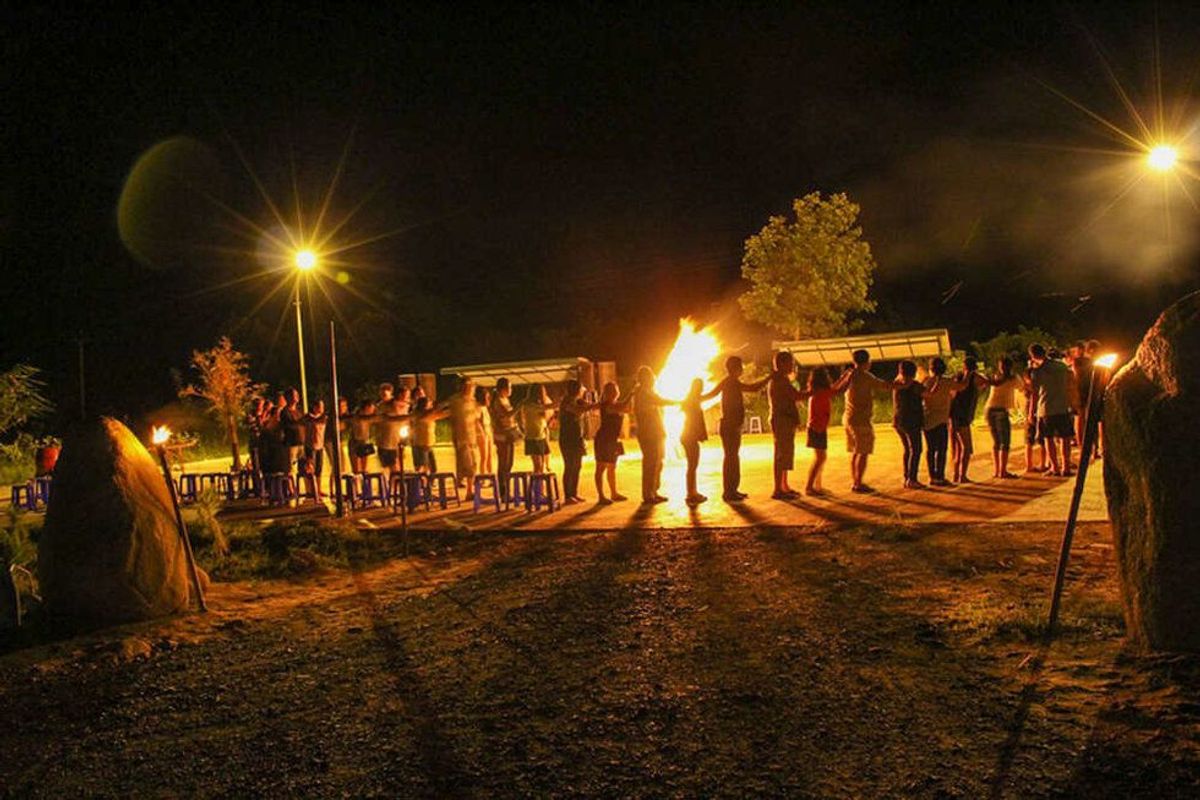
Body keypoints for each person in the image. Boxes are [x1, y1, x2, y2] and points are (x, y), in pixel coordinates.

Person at [711, 356, 769, 502]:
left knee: (732, 457)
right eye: (741, 366)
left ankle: (732, 490)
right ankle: (729, 492)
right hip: (730, 426)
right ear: (736, 368)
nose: (743, 369)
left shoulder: (729, 382)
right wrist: (769, 378)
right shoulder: (731, 382)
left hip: (731, 425)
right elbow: (754, 388)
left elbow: (711, 394)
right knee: (731, 458)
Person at [843, 349, 896, 493]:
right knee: (863, 451)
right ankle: (858, 483)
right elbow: (885, 385)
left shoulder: (850, 375)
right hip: (860, 419)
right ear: (867, 362)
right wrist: (902, 383)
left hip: (849, 417)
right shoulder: (865, 376)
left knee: (855, 451)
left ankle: (856, 480)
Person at [1027, 344, 1074, 477]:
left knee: (1048, 438)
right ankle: (1066, 467)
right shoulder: (1061, 366)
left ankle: (1055, 467)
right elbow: (1070, 383)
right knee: (1065, 438)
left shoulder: (1038, 371)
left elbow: (1034, 394)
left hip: (1046, 408)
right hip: (1063, 406)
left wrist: (1031, 413)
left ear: (1033, 356)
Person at [633, 365, 674, 504]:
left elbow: (659, 401)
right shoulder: (642, 392)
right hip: (648, 433)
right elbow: (660, 401)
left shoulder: (648, 391)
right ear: (645, 378)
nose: (652, 379)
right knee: (651, 463)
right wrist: (679, 402)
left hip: (656, 431)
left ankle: (654, 491)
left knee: (658, 462)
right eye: (650, 376)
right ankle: (648, 494)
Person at [804, 367, 847, 496]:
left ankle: (816, 486)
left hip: (817, 428)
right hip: (817, 428)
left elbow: (834, 388)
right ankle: (809, 487)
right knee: (820, 458)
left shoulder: (817, 391)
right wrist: (850, 377)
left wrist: (843, 377)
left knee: (819, 458)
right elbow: (839, 390)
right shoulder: (821, 392)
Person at [948, 357, 990, 483]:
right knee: (966, 448)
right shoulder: (972, 379)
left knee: (957, 447)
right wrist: (973, 375)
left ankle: (957, 474)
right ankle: (962, 476)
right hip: (962, 416)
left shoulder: (957, 378)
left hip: (954, 415)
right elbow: (986, 382)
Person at [768, 351, 803, 499]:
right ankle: (777, 489)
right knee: (781, 455)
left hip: (785, 420)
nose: (793, 366)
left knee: (786, 453)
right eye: (791, 363)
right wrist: (815, 391)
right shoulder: (780, 381)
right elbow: (796, 396)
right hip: (782, 420)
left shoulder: (782, 379)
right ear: (781, 364)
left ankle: (784, 485)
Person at [559, 380, 597, 504]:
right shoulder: (567, 401)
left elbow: (591, 405)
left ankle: (574, 493)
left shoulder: (578, 400)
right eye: (581, 389)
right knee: (569, 466)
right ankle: (568, 496)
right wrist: (589, 406)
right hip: (567, 439)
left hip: (577, 438)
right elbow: (577, 410)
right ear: (576, 390)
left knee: (577, 466)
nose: (582, 391)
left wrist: (591, 403)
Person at [593, 381, 631, 504]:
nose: (614, 393)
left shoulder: (616, 404)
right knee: (601, 467)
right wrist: (632, 393)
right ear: (607, 393)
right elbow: (623, 406)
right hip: (604, 440)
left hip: (613, 440)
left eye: (616, 390)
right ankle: (601, 496)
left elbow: (627, 409)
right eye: (612, 391)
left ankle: (614, 493)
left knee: (612, 467)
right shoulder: (607, 405)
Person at [984, 357, 1022, 479]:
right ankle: (1003, 471)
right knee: (1004, 442)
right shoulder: (1013, 378)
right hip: (1001, 410)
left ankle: (997, 471)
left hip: (989, 409)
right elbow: (1022, 388)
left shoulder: (995, 377)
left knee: (996, 442)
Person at [445, 376, 481, 499]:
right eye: (467, 385)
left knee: (474, 463)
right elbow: (450, 416)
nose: (470, 388)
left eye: (471, 385)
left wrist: (480, 431)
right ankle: (469, 491)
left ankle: (469, 490)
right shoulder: (455, 400)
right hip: (461, 438)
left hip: (472, 438)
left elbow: (476, 418)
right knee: (468, 465)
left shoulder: (473, 401)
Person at [893, 360, 927, 489]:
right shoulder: (915, 385)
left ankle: (907, 477)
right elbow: (929, 394)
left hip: (898, 420)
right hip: (912, 420)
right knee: (916, 449)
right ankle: (912, 479)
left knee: (908, 449)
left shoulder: (897, 383)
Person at [921, 358, 954, 486]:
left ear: (931, 369)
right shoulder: (947, 381)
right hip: (941, 420)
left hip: (928, 419)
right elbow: (962, 386)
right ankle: (939, 476)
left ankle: (932, 476)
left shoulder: (925, 382)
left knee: (930, 449)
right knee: (941, 449)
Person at [680, 378, 712, 505]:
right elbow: (696, 421)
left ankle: (693, 492)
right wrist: (701, 435)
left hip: (688, 436)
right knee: (692, 465)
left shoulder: (691, 399)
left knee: (692, 465)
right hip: (690, 437)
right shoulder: (693, 401)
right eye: (701, 386)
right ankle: (691, 493)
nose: (702, 388)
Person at [490, 378, 522, 501]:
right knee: (503, 463)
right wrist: (519, 407)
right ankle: (502, 492)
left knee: (509, 463)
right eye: (509, 387)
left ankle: (506, 491)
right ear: (503, 389)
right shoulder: (497, 401)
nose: (511, 390)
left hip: (509, 434)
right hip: (502, 436)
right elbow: (507, 415)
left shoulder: (505, 399)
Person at [373, 384, 412, 484]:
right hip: (385, 441)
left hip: (397, 440)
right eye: (404, 395)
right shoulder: (383, 406)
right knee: (392, 467)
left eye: (407, 395)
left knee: (397, 465)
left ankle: (394, 487)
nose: (406, 398)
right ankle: (392, 487)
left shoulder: (406, 406)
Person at [521, 384, 556, 474]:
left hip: (541, 435)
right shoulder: (529, 405)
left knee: (541, 465)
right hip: (532, 437)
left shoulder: (538, 403)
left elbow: (547, 413)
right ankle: (537, 486)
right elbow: (547, 407)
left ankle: (540, 485)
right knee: (538, 465)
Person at [411, 396, 448, 474]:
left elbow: (441, 414)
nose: (431, 404)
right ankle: (423, 483)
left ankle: (428, 482)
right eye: (429, 403)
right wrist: (448, 403)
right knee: (423, 467)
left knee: (432, 468)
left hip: (428, 444)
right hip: (421, 444)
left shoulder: (428, 414)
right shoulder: (420, 414)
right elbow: (435, 411)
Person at [303, 399, 328, 502]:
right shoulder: (308, 417)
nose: (321, 409)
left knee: (319, 469)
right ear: (314, 407)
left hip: (320, 446)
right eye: (319, 406)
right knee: (311, 470)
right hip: (310, 446)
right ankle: (312, 492)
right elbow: (313, 421)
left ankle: (318, 489)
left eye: (322, 406)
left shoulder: (323, 418)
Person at [281, 388, 306, 483]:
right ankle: (291, 490)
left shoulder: (299, 411)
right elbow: (290, 424)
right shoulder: (285, 412)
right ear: (288, 398)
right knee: (291, 469)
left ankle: (309, 490)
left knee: (305, 467)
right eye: (294, 395)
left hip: (302, 443)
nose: (297, 397)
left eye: (297, 395)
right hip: (291, 444)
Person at [349, 399, 377, 474]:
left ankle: (364, 483)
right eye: (372, 408)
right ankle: (357, 483)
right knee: (356, 470)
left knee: (364, 469)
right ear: (367, 407)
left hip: (364, 441)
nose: (373, 410)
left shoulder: (369, 417)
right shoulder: (356, 416)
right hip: (356, 441)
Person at [474, 386, 495, 476]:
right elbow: (477, 422)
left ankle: (490, 475)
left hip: (488, 432)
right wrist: (482, 434)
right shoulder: (477, 408)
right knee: (484, 456)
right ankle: (483, 476)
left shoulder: (484, 408)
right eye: (487, 397)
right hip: (482, 434)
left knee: (490, 456)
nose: (488, 399)